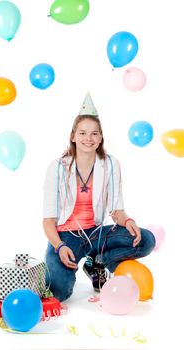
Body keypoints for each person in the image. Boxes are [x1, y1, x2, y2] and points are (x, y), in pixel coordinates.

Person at [43, 92, 155, 302]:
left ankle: (98, 260)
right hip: (66, 237)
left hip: (95, 233)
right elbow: (48, 222)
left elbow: (116, 211)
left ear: (101, 138)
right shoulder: (57, 168)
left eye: (94, 133)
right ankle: (73, 260)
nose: (88, 138)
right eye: (83, 133)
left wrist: (128, 221)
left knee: (147, 240)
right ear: (73, 136)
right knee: (59, 292)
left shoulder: (111, 164)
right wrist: (60, 246)